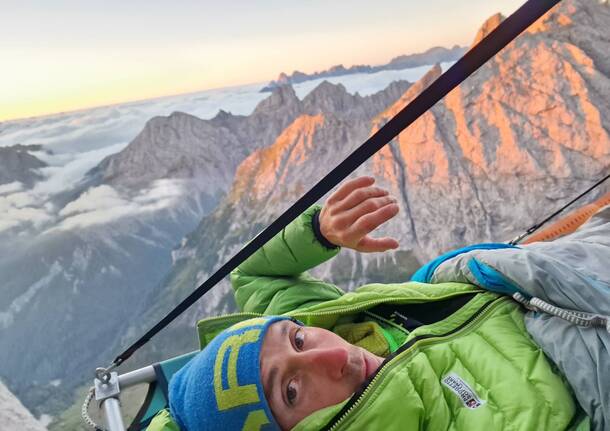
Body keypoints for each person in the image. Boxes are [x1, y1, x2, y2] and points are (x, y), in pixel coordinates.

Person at [148, 176, 609, 431]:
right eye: (291, 390)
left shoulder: (333, 323)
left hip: (542, 270)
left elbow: (251, 273)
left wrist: (320, 233)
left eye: (299, 337)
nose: (334, 355)